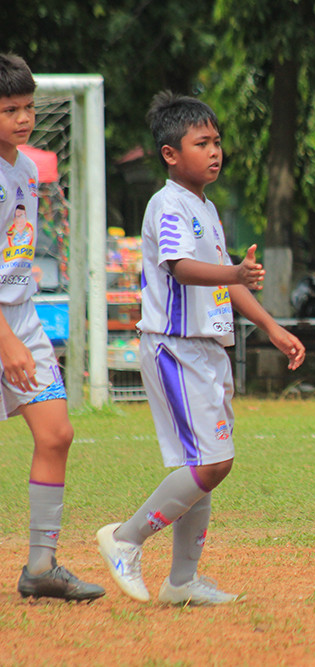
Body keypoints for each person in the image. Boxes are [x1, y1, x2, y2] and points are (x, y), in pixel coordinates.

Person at [96, 91, 305, 606]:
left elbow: (224, 282)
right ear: (171, 154)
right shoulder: (168, 203)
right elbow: (181, 268)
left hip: (208, 349)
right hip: (176, 347)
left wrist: (271, 327)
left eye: (217, 142)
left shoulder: (205, 208)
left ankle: (183, 581)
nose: (215, 152)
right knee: (212, 464)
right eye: (202, 143)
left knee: (207, 464)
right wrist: (233, 271)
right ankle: (125, 539)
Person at [0, 53, 105, 602]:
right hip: (3, 325)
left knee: (57, 433)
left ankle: (41, 565)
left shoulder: (24, 167)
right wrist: (6, 339)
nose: (23, 118)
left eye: (27, 107)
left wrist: (18, 330)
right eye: (9, 109)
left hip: (21, 315)